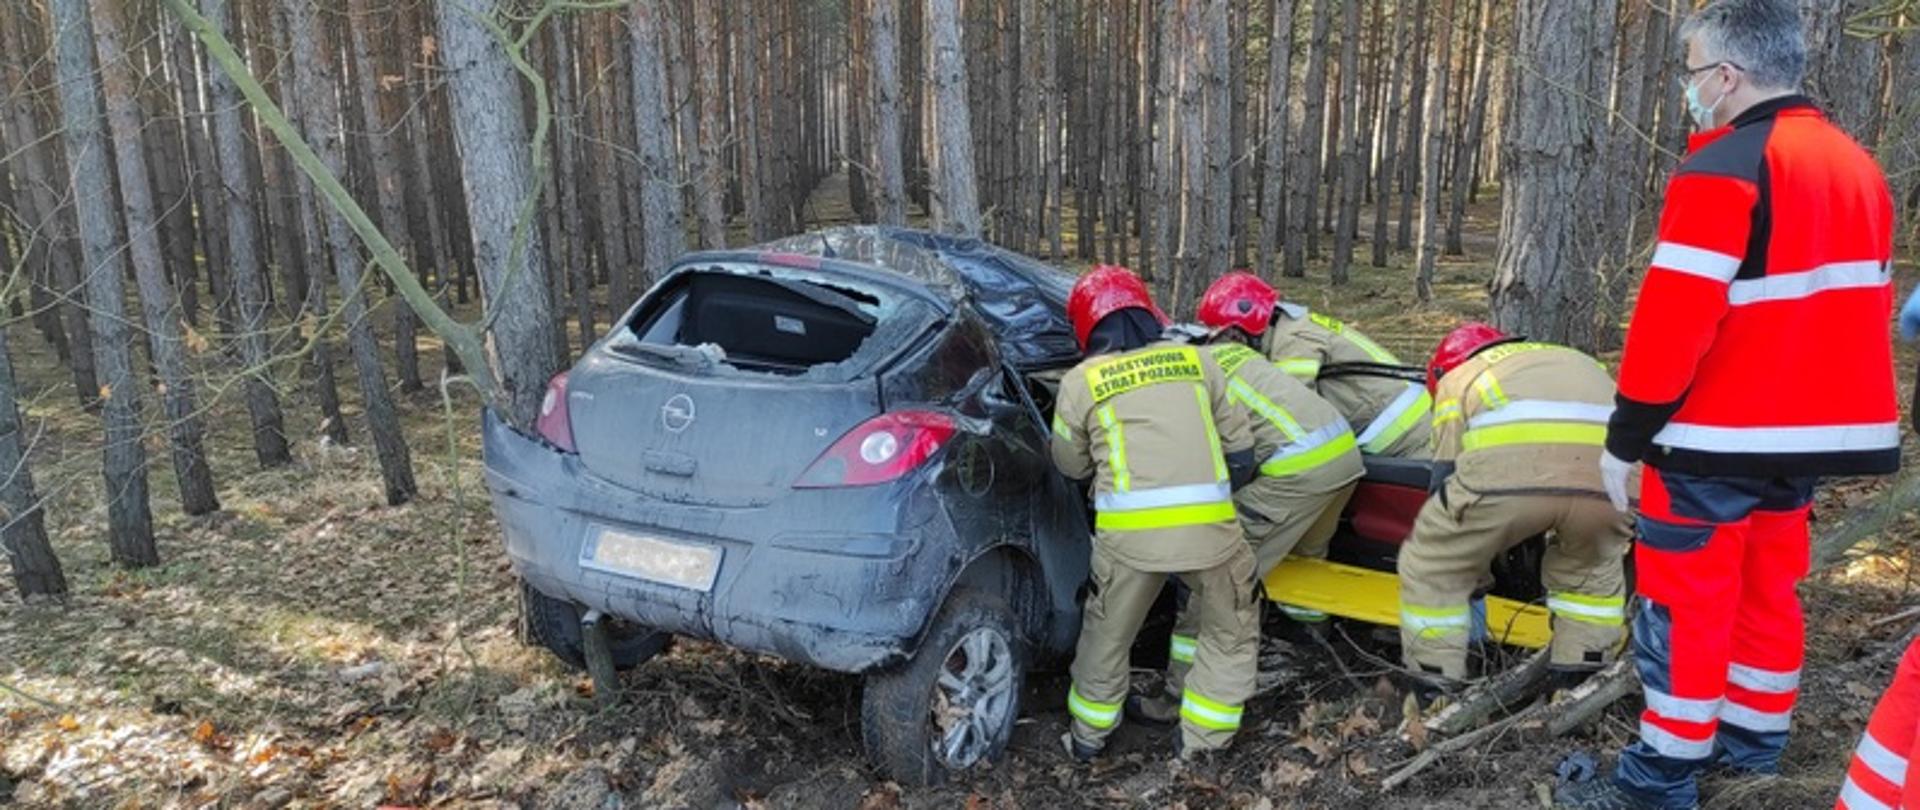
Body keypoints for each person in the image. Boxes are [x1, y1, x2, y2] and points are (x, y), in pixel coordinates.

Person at [1561, 1, 1901, 808]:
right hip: (1810, 440)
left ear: (1726, 75)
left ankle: (1657, 786)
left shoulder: (1726, 165)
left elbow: (1673, 319)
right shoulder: (1857, 166)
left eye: (1693, 73)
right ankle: (1753, 758)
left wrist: (1628, 433)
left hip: (1715, 440)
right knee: (1766, 598)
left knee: (1685, 611)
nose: (1690, 91)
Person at [1128, 276, 1368, 724]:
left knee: (1210, 578)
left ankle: (1179, 696)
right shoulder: (1236, 355)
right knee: (1305, 556)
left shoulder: (1185, 372)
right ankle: (1313, 646)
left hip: (1300, 470)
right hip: (1343, 457)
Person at [1050, 265, 1260, 761]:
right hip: (1211, 536)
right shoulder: (1198, 361)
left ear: (1085, 325)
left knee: (1107, 634)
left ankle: (1088, 738)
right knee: (1230, 631)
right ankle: (1202, 746)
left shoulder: (1081, 382)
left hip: (1129, 542)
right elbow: (1242, 453)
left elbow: (1067, 463)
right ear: (1147, 309)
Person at [1396, 322, 1631, 685]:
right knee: (1591, 575)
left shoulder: (1458, 379)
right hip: (1614, 483)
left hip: (1515, 480)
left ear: (1440, 372)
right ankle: (1577, 685)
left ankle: (1436, 684)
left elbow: (1445, 475)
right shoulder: (1577, 361)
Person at [1200, 272, 1431, 459]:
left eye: (1229, 338)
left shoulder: (1292, 346)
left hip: (1408, 438)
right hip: (1406, 428)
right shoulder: (1293, 326)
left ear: (1243, 329)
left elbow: (1293, 420)